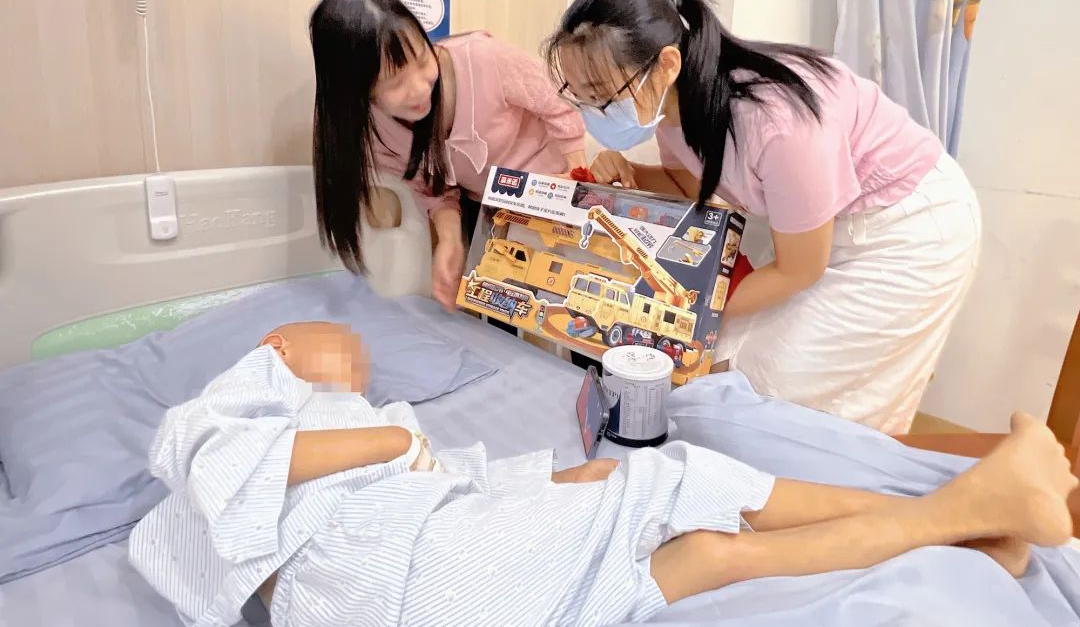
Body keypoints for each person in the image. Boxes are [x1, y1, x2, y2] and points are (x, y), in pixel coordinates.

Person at [130, 320, 1077, 627]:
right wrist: (385, 443)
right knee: (672, 481)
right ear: (278, 343)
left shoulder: (355, 419)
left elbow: (448, 494)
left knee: (698, 554)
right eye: (339, 348)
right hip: (400, 575)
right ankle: (969, 506)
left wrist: (568, 485)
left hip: (412, 584)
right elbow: (248, 478)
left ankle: (970, 530)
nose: (358, 365)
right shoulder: (232, 401)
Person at [544, 0, 982, 433]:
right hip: (827, 224)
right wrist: (625, 174)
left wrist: (683, 311)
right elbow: (687, 183)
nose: (594, 113)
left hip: (910, 229)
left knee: (785, 388)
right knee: (725, 359)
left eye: (601, 95)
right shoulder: (673, 105)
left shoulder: (776, 123)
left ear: (666, 64)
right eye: (582, 97)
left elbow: (799, 269)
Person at [309, 0, 587, 311]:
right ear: (360, 95)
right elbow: (435, 190)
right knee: (506, 309)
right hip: (493, 210)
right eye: (395, 83)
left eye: (422, 61)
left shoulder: (484, 59)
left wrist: (577, 181)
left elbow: (563, 106)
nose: (418, 89)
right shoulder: (378, 132)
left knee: (561, 303)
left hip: (555, 191)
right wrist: (450, 240)